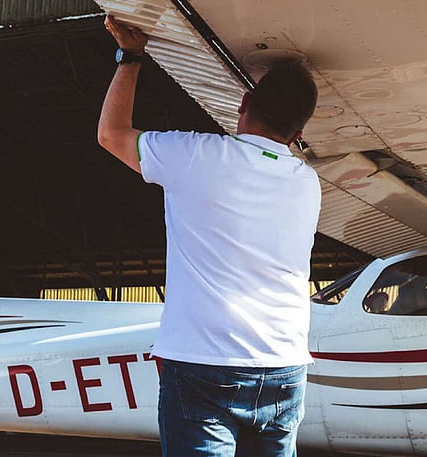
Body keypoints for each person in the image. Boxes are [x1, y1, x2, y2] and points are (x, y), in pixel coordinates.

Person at [95, 15, 322, 457]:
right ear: (298, 135)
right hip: (284, 366)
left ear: (242, 104)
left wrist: (131, 57)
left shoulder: (197, 156)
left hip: (204, 364)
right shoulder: (306, 182)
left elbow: (111, 134)